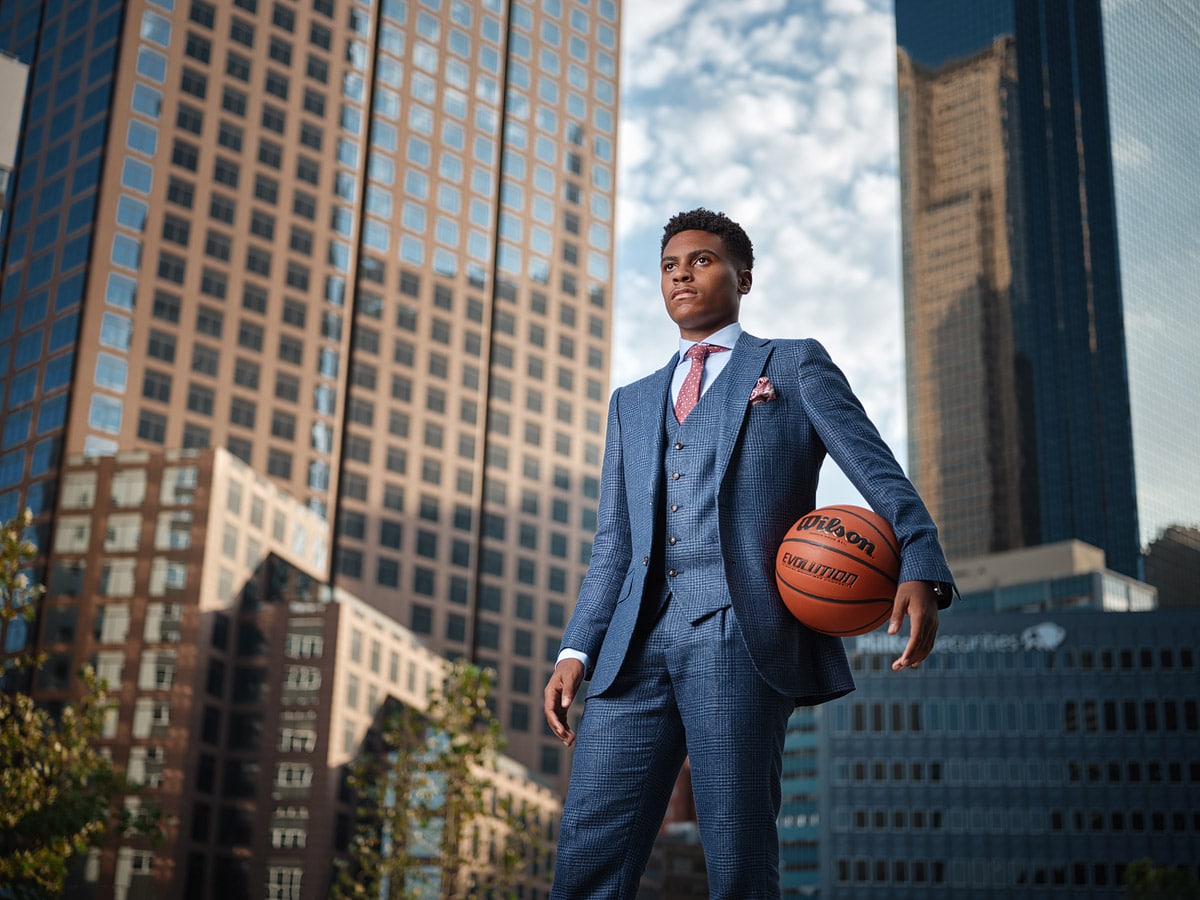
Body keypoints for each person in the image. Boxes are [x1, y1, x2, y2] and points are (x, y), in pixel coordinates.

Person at [543, 208, 955, 898]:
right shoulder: (631, 403)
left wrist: (918, 560)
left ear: (745, 278)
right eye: (670, 265)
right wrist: (574, 651)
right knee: (588, 848)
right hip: (632, 647)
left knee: (737, 851)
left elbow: (876, 472)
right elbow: (614, 546)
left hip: (739, 633)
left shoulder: (791, 366)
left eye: (702, 261)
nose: (682, 273)